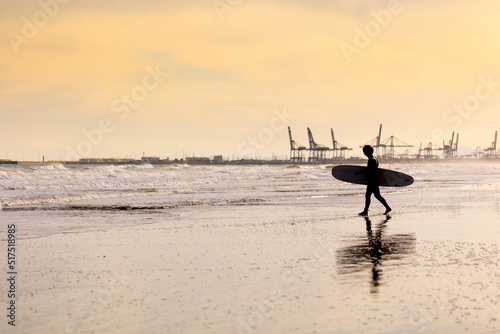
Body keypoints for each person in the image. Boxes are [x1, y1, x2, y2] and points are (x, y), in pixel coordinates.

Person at [358, 145, 391, 216]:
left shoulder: (371, 160)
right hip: (374, 180)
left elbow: (370, 170)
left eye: (365, 151)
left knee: (368, 195)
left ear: (367, 152)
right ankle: (387, 207)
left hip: (372, 180)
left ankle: (365, 211)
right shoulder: (375, 158)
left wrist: (359, 172)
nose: (364, 153)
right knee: (377, 195)